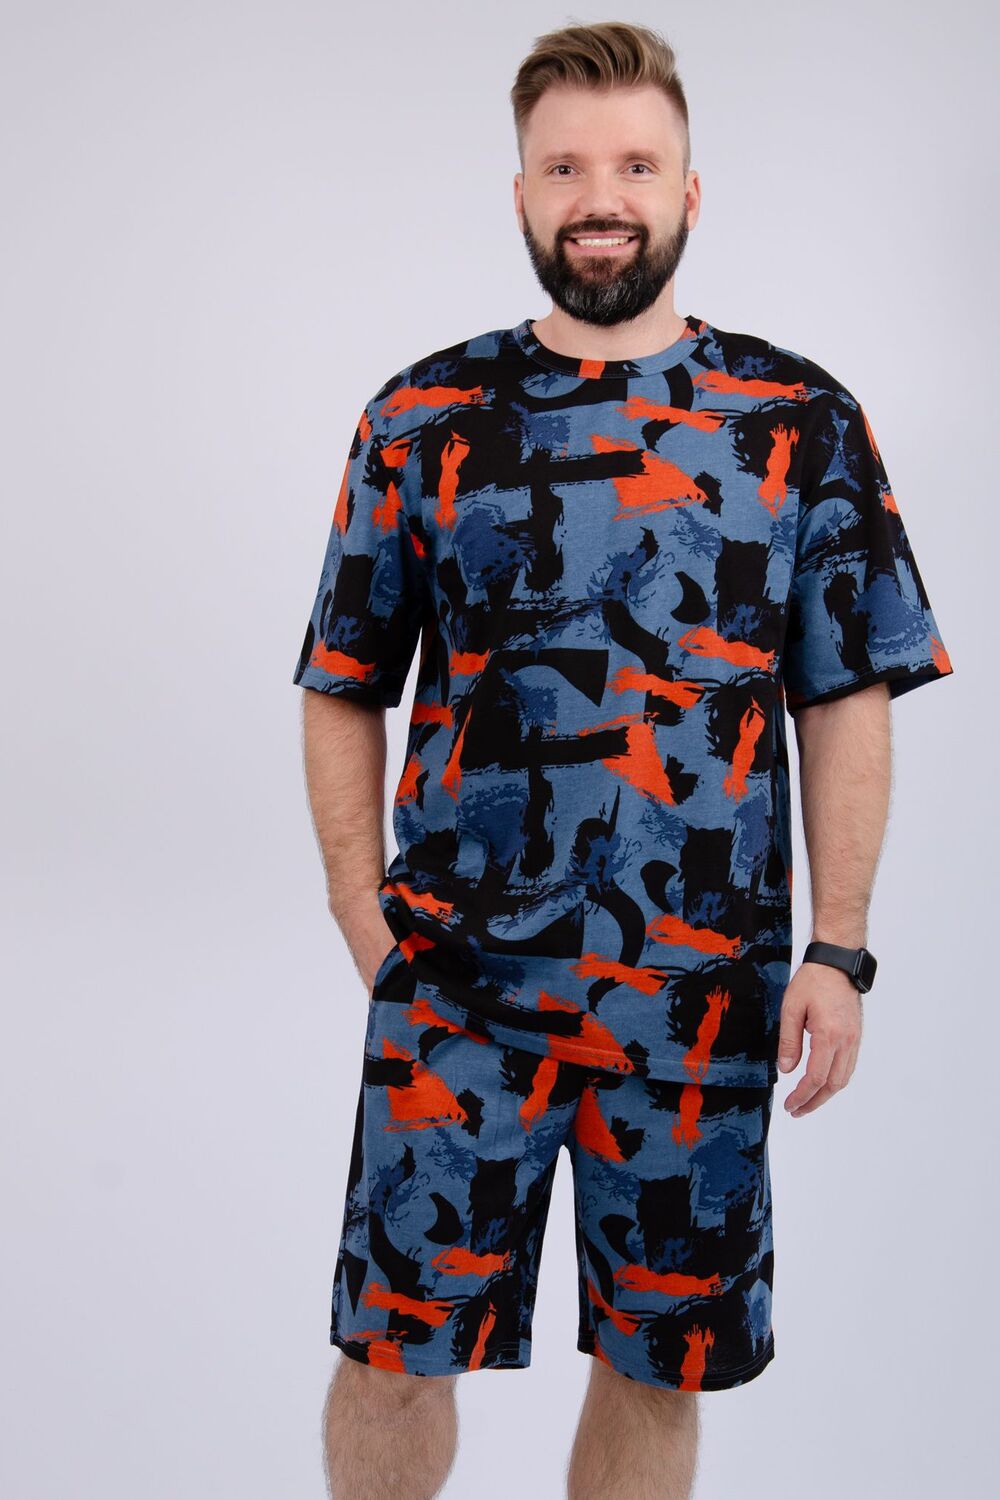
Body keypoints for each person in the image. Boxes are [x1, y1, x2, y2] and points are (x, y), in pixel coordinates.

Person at [292, 20, 954, 1500]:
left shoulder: (798, 422)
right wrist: (357, 908)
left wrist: (840, 946)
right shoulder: (422, 416)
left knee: (660, 1366)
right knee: (394, 1350)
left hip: (699, 995)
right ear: (523, 194)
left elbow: (847, 693)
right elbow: (343, 677)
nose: (603, 197)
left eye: (637, 166)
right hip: (458, 984)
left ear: (689, 192)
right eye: (567, 168)